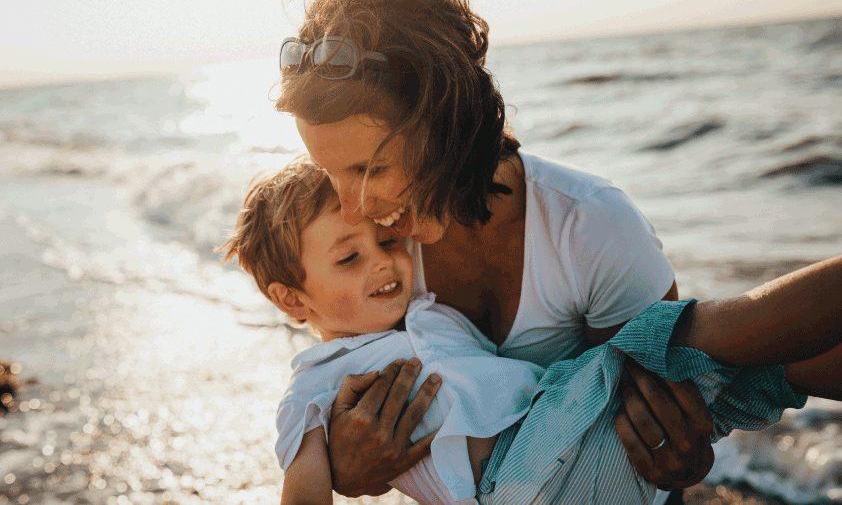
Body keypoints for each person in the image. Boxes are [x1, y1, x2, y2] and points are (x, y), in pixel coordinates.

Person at [272, 0, 831, 503]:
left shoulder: (590, 227)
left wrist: (682, 460)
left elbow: (664, 417)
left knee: (712, 359)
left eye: (369, 170)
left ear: (447, 126)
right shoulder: (376, 253)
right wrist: (348, 469)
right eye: (330, 173)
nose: (352, 207)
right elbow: (346, 384)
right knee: (735, 356)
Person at [219, 157, 841, 505]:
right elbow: (303, 489)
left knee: (759, 372)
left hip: (577, 455)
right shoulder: (316, 383)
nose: (384, 261)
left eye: (387, 240)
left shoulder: (428, 311)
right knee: (686, 341)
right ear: (291, 298)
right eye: (349, 259)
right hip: (520, 476)